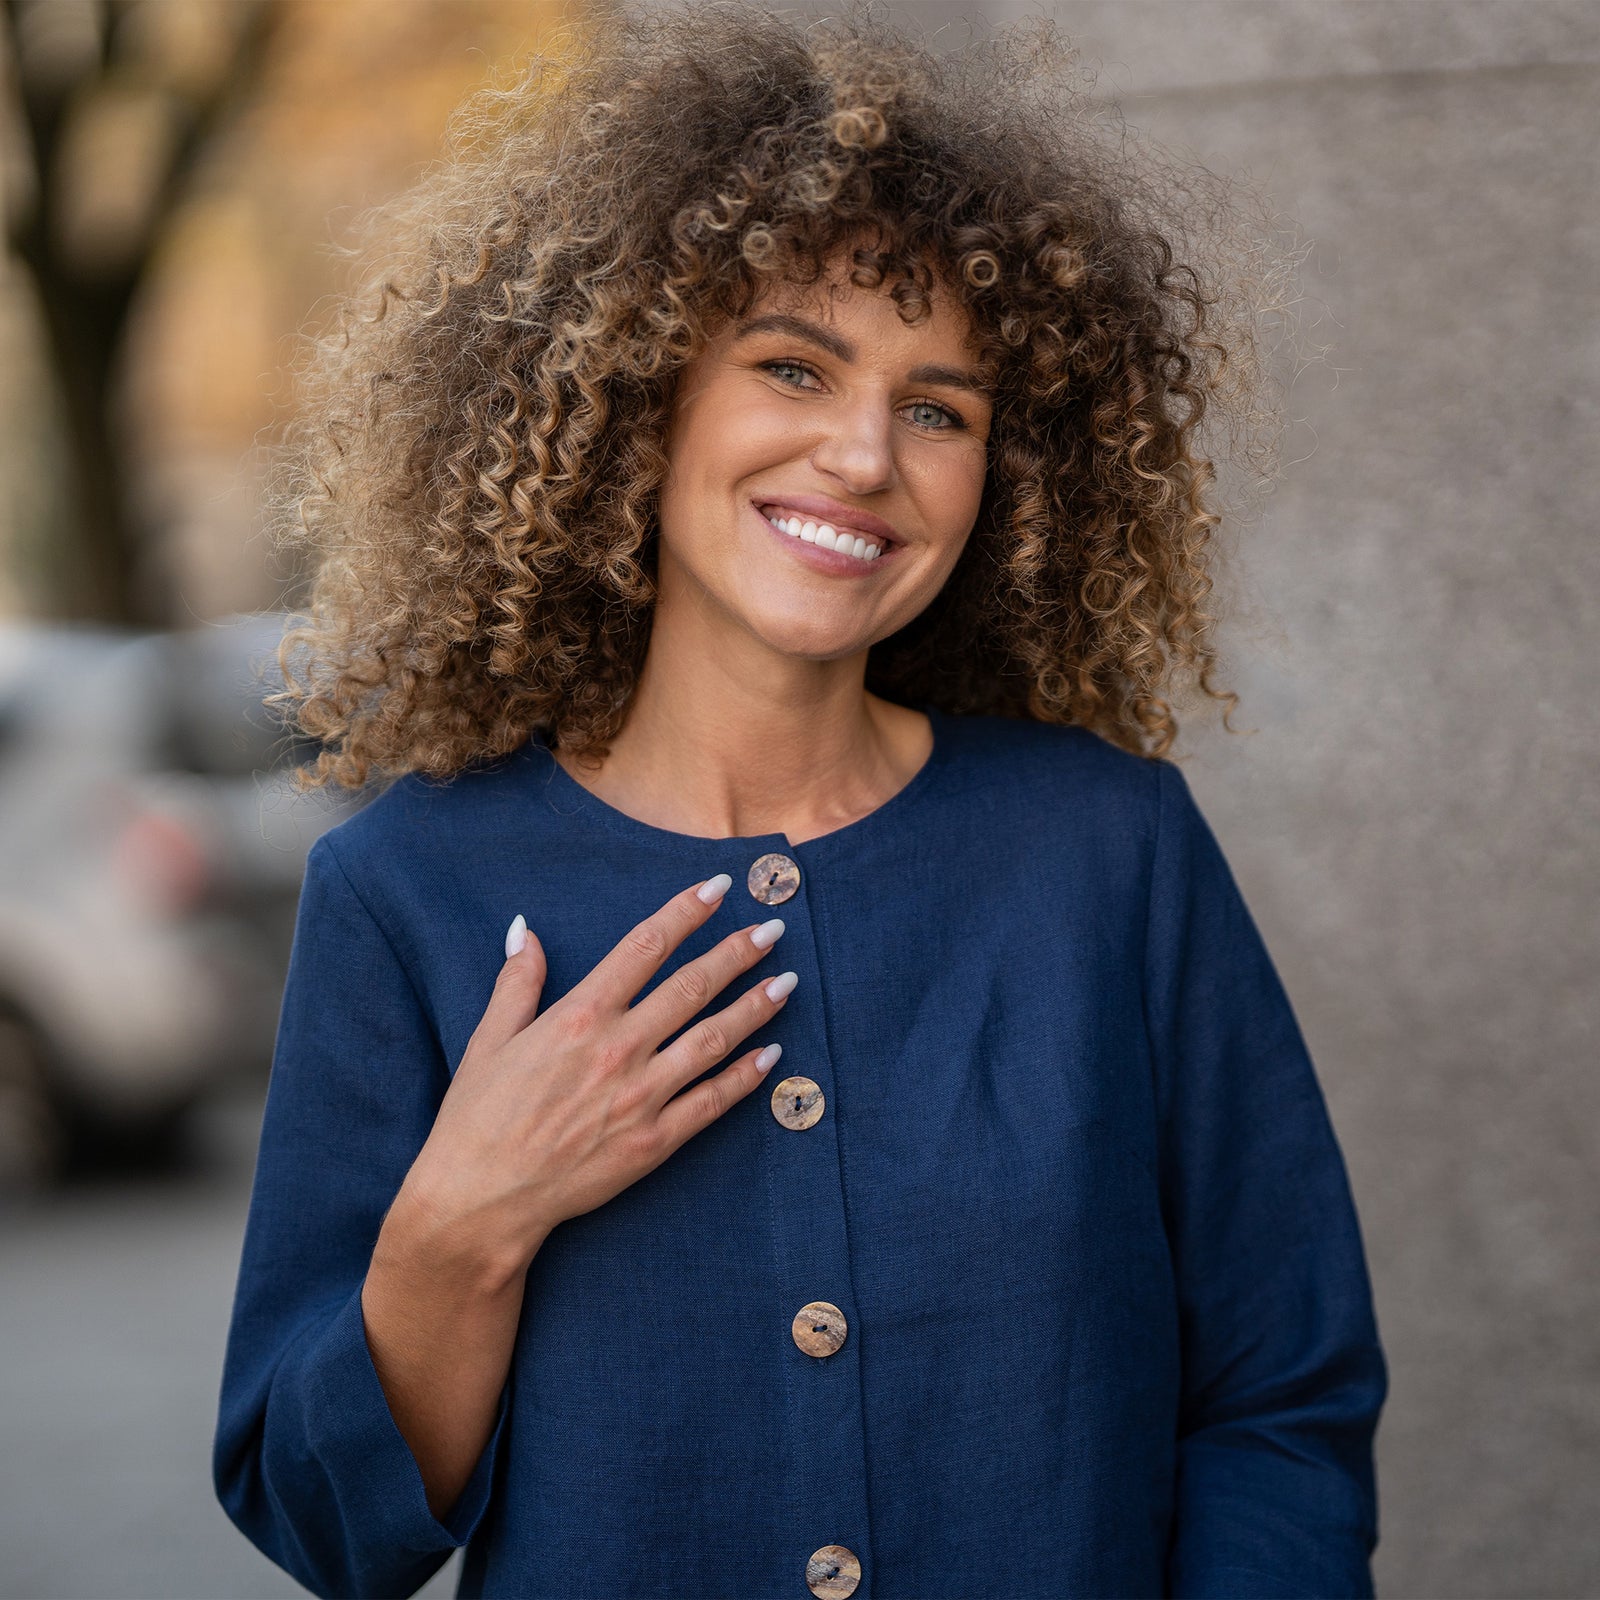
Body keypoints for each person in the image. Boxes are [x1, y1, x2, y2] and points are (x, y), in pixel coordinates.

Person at [213, 5, 1387, 1597]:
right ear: (641, 394)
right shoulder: (409, 888)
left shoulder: (1111, 856)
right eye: (793, 365)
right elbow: (322, 1529)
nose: (861, 455)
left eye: (939, 409)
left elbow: (1280, 1398)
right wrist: (463, 1224)